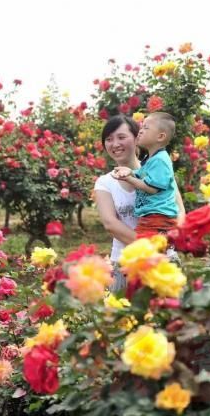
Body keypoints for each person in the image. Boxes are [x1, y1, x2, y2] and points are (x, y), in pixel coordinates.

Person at [113, 112, 185, 238]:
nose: (140, 131)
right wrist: (130, 171)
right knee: (149, 251)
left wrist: (129, 179)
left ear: (160, 136)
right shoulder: (151, 158)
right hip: (152, 216)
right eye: (141, 127)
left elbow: (151, 188)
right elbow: (143, 175)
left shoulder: (160, 160)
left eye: (146, 128)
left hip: (158, 217)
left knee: (147, 250)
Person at [94, 115, 141, 291]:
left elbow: (179, 210)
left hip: (164, 260)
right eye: (109, 139)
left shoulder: (158, 172)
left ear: (137, 138)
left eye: (121, 137)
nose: (115, 144)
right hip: (125, 263)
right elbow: (110, 223)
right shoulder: (105, 182)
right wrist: (151, 248)